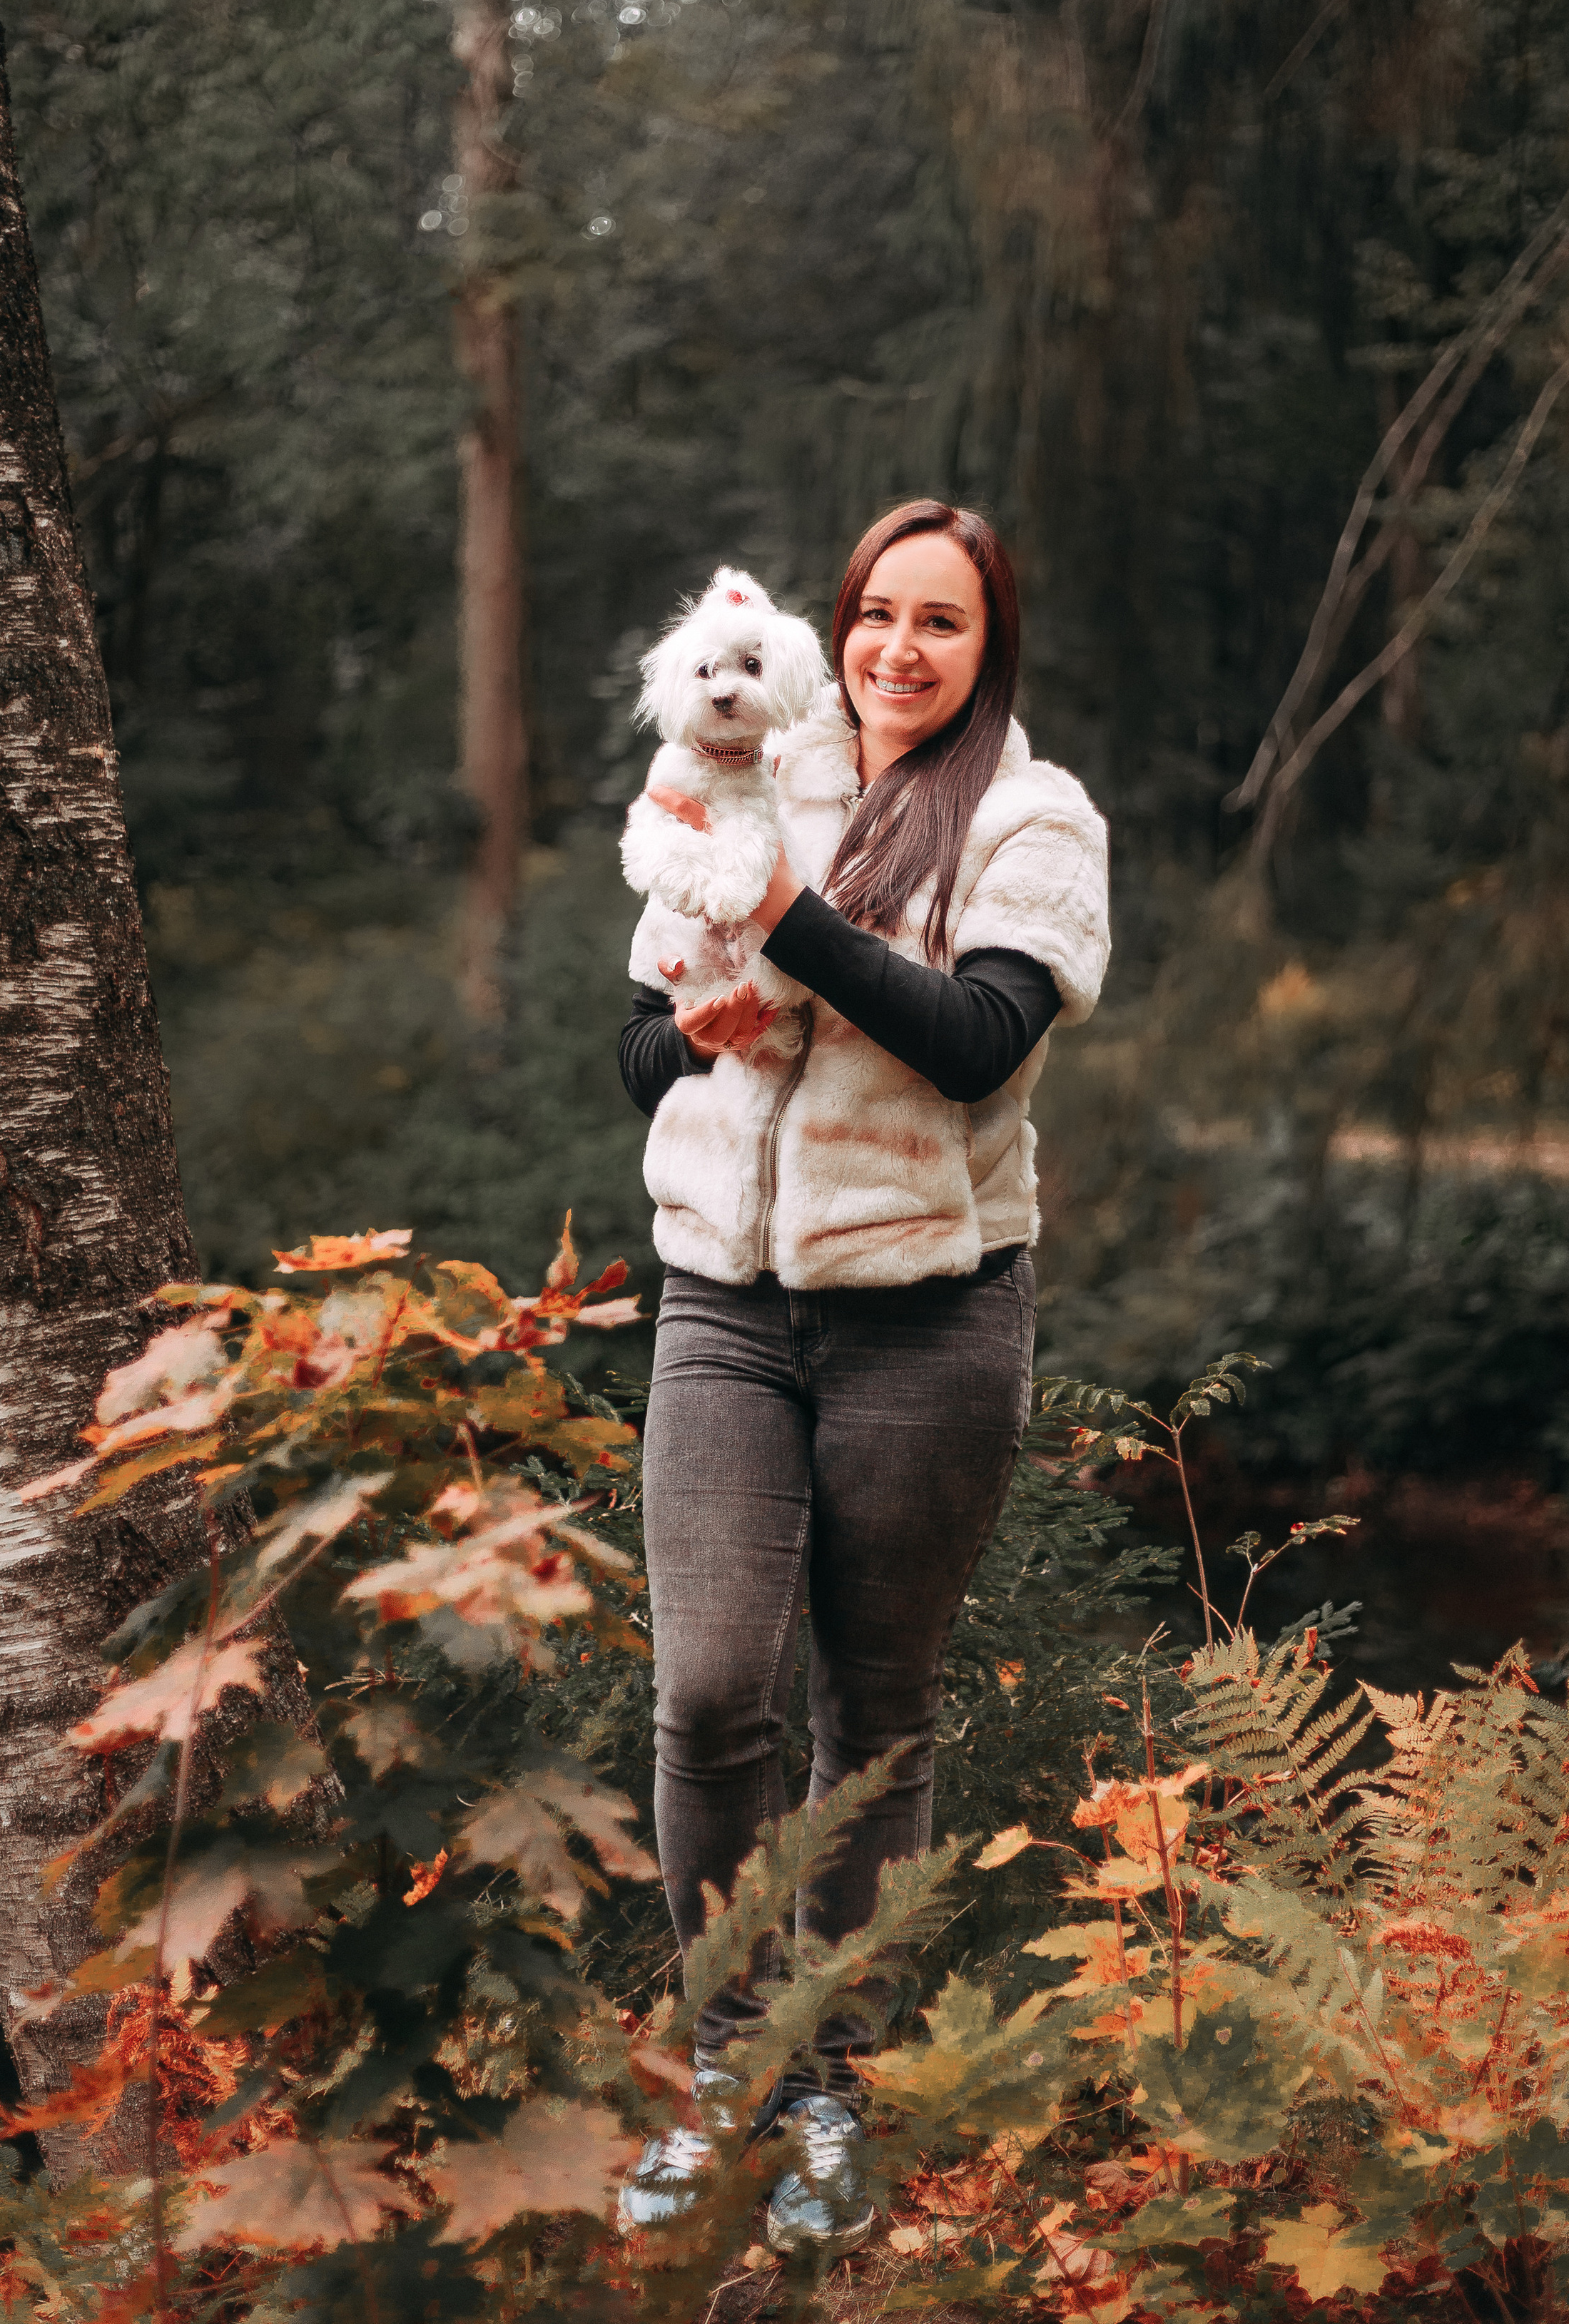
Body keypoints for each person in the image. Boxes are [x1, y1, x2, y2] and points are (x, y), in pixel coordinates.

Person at [614, 500, 1110, 2253]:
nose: (903, 648)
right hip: (722, 1308)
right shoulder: (746, 761)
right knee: (704, 1698)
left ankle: (839, 2096)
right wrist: (695, 1019)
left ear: (991, 648)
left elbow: (979, 1046)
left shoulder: (1034, 819)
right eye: (878, 614)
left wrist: (788, 924)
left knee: (872, 1715)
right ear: (836, 630)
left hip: (929, 1315)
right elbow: (634, 1047)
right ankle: (727, 2076)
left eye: (943, 623)